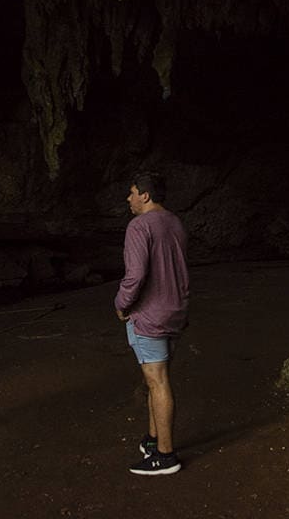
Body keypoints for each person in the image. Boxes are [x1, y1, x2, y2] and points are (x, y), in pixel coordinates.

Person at [115, 170, 189, 476]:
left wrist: (120, 304)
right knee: (156, 378)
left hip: (151, 315)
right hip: (175, 310)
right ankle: (153, 438)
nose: (129, 199)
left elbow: (135, 276)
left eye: (132, 193)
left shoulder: (139, 225)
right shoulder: (174, 222)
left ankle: (165, 456)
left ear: (145, 195)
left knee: (158, 382)